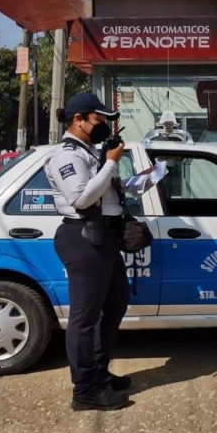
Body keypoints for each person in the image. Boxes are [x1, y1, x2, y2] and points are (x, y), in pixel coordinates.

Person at [44, 92, 132, 412]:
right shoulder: (67, 155)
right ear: (78, 120)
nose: (104, 125)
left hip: (103, 236)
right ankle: (85, 391)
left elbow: (106, 192)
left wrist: (110, 163)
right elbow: (81, 199)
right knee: (84, 318)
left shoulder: (89, 151)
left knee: (116, 302)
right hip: (83, 237)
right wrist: (110, 163)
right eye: (99, 120)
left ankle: (98, 373)